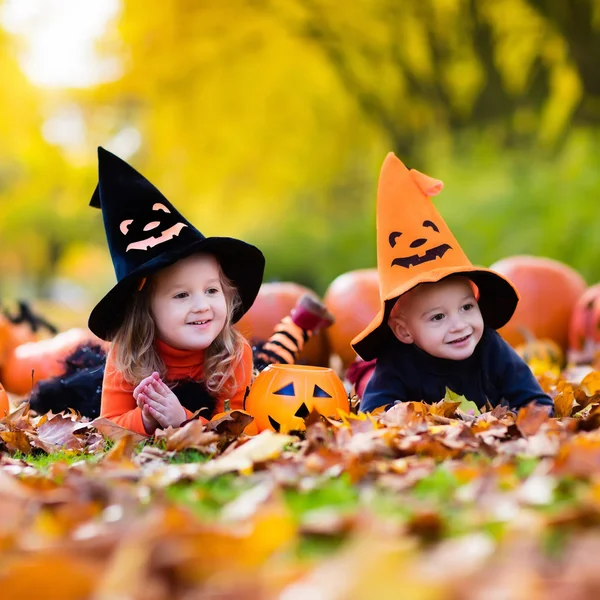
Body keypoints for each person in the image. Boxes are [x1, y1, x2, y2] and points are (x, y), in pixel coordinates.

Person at [79, 147, 333, 436]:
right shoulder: (126, 356)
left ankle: (297, 325)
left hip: (244, 364)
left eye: (212, 290)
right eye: (181, 295)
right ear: (145, 309)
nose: (202, 305)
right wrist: (146, 420)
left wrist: (182, 420)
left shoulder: (234, 353)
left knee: (271, 365)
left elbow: (237, 427)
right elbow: (107, 427)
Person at [351, 153, 553, 414]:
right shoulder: (397, 361)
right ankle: (362, 371)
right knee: (368, 380)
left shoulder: (490, 347)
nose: (459, 325)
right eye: (437, 317)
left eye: (467, 307)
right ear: (404, 331)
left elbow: (537, 402)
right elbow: (373, 414)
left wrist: (518, 420)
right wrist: (412, 423)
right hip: (421, 433)